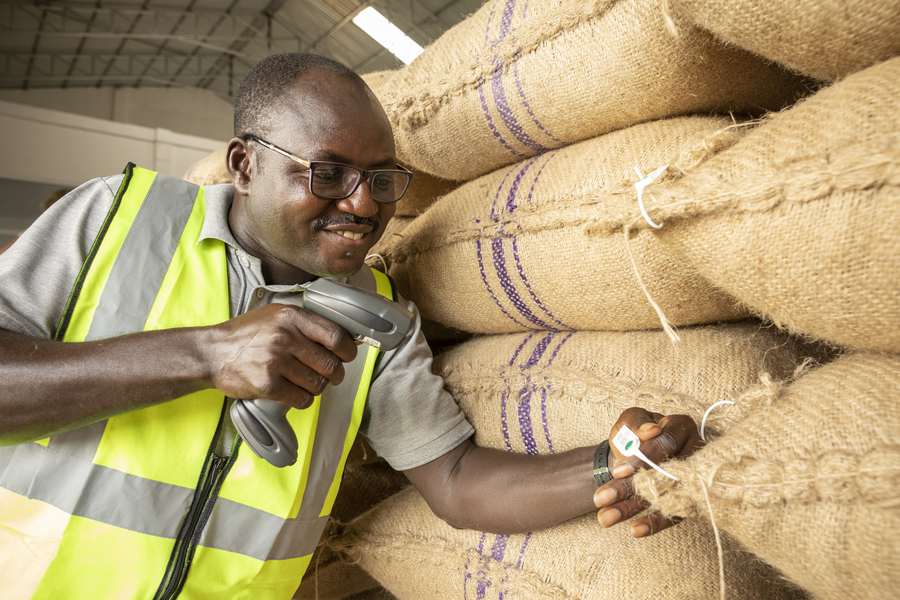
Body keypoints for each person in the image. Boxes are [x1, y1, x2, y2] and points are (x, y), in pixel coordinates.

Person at [0, 54, 699, 598]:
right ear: (246, 164)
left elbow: (455, 481)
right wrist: (203, 355)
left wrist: (612, 463)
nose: (364, 205)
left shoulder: (378, 315)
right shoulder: (120, 218)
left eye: (382, 179)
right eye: (329, 174)